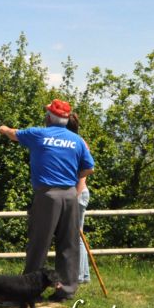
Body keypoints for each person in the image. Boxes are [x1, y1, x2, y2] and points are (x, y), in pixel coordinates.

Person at [0, 99, 94, 301]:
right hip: (70, 194)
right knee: (68, 244)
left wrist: (3, 128)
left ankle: (30, 289)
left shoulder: (39, 134)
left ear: (50, 117)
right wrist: (72, 176)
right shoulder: (77, 140)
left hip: (47, 195)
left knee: (39, 243)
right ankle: (66, 290)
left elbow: (13, 134)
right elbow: (89, 168)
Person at [67, 113, 91, 284]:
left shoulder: (78, 143)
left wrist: (74, 195)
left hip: (78, 193)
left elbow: (83, 174)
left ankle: (80, 276)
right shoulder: (78, 141)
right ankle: (83, 275)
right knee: (76, 235)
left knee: (77, 236)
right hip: (78, 193)